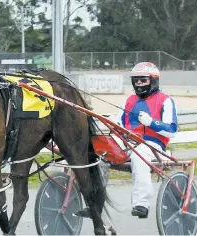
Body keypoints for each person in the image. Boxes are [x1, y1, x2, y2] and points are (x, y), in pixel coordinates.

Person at [74, 61, 178, 219]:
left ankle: (141, 204)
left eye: (143, 80)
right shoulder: (130, 101)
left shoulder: (165, 100)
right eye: (136, 80)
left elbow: (171, 130)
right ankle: (95, 205)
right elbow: (120, 124)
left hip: (153, 145)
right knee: (99, 157)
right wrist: (110, 123)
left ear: (154, 80)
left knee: (139, 155)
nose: (138, 83)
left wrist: (151, 122)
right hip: (128, 142)